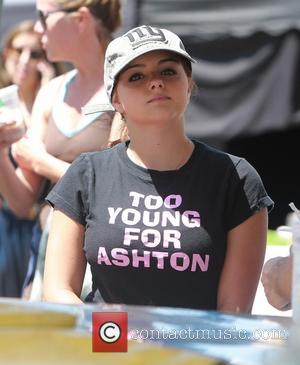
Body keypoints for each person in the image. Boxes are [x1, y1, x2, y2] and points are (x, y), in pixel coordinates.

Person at [44, 25, 274, 312]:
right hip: (106, 349)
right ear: (116, 99)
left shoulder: (237, 179)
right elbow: (56, 292)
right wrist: (120, 338)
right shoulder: (86, 174)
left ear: (188, 84)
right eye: (136, 76)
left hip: (193, 353)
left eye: (168, 71)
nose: (155, 83)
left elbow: (234, 314)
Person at [0, 0, 123, 299]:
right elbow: (21, 202)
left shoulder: (125, 86)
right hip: (47, 262)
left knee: (107, 343)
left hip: (107, 265)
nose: (39, 27)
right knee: (44, 345)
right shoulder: (52, 91)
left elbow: (123, 189)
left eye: (44, 16)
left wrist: (42, 162)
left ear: (80, 19)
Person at [0, 20, 64, 297]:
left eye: (35, 53)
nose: (25, 61)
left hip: (39, 224)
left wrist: (50, 86)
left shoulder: (52, 109)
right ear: (6, 55)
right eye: (18, 51)